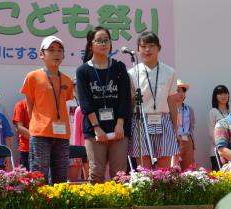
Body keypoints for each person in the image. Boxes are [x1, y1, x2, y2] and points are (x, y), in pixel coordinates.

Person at [76, 26, 131, 184]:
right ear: (90, 45)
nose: (103, 44)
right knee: (97, 173)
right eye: (99, 41)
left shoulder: (119, 67)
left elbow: (125, 98)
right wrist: (96, 127)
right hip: (94, 129)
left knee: (119, 175)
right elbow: (85, 102)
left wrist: (120, 123)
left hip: (118, 128)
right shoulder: (83, 71)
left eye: (106, 40)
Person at [21, 35, 74, 184]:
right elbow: (29, 105)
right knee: (38, 176)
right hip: (40, 133)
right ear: (41, 54)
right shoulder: (33, 77)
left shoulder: (67, 80)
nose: (56, 54)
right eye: (51, 50)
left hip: (62, 134)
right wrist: (36, 125)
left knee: (61, 178)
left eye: (59, 50)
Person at [128, 31, 180, 169]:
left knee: (164, 170)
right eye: (143, 46)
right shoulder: (132, 73)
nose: (147, 50)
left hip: (163, 119)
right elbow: (131, 102)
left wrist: (174, 128)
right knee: (144, 170)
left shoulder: (170, 72)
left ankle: (162, 191)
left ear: (159, 48)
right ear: (138, 49)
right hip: (140, 120)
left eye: (151, 46)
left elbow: (172, 101)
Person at [173, 79, 195, 171]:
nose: (181, 93)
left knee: (188, 169)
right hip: (173, 140)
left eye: (183, 91)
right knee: (174, 168)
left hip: (187, 139)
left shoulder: (189, 109)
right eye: (178, 91)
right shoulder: (168, 109)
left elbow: (192, 125)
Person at [209, 85, 229, 170]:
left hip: (230, 151)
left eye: (225, 93)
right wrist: (222, 148)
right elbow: (211, 133)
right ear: (215, 96)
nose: (223, 96)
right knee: (220, 179)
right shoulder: (213, 111)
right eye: (220, 94)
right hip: (218, 152)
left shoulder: (230, 111)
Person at [12, 99, 30, 170]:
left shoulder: (43, 105)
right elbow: (19, 128)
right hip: (26, 149)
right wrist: (38, 141)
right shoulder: (21, 105)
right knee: (26, 178)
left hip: (45, 149)